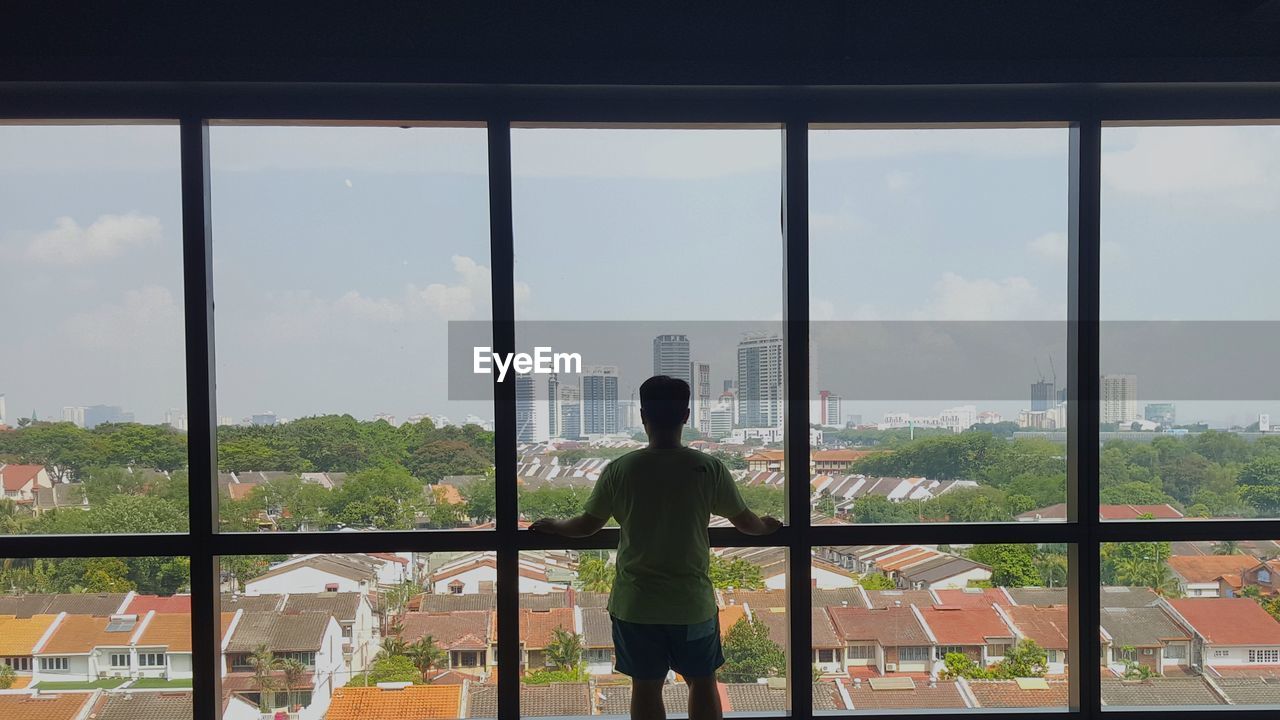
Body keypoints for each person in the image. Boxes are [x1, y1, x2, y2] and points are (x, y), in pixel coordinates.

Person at [532, 375, 782, 720]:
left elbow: (587, 525)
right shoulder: (706, 468)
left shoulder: (622, 469)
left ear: (642, 415)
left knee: (646, 686)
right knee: (703, 681)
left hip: (637, 603)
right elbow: (746, 523)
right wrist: (770, 525)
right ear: (686, 415)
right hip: (691, 603)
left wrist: (553, 526)